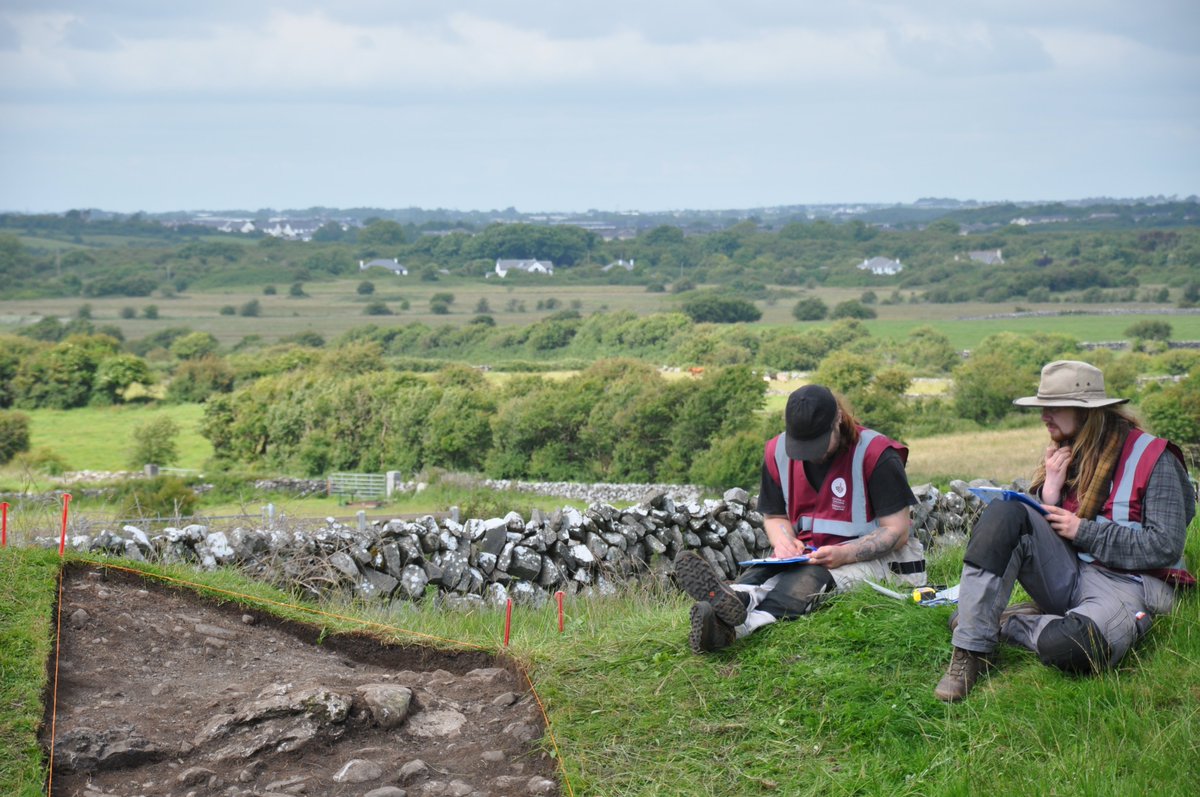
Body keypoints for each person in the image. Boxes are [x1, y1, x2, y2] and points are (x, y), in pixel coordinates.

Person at [934, 360, 1196, 702]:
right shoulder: (1065, 453)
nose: (1044, 416)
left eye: (1054, 408)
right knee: (1005, 513)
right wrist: (1050, 493)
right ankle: (970, 650)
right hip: (1071, 571)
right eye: (1043, 407)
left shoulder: (1156, 459)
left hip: (1129, 584)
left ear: (1087, 412)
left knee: (1076, 648)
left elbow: (1165, 545)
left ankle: (998, 623)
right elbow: (1040, 527)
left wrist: (1084, 531)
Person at [676, 384, 926, 654]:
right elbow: (775, 517)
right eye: (801, 445)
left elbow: (897, 531)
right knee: (763, 571)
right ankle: (735, 598)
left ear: (838, 419)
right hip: (810, 552)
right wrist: (784, 542)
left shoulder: (877, 455)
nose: (809, 454)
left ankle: (735, 628)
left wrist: (846, 553)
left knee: (810, 578)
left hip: (880, 559)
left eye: (816, 444)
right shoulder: (776, 452)